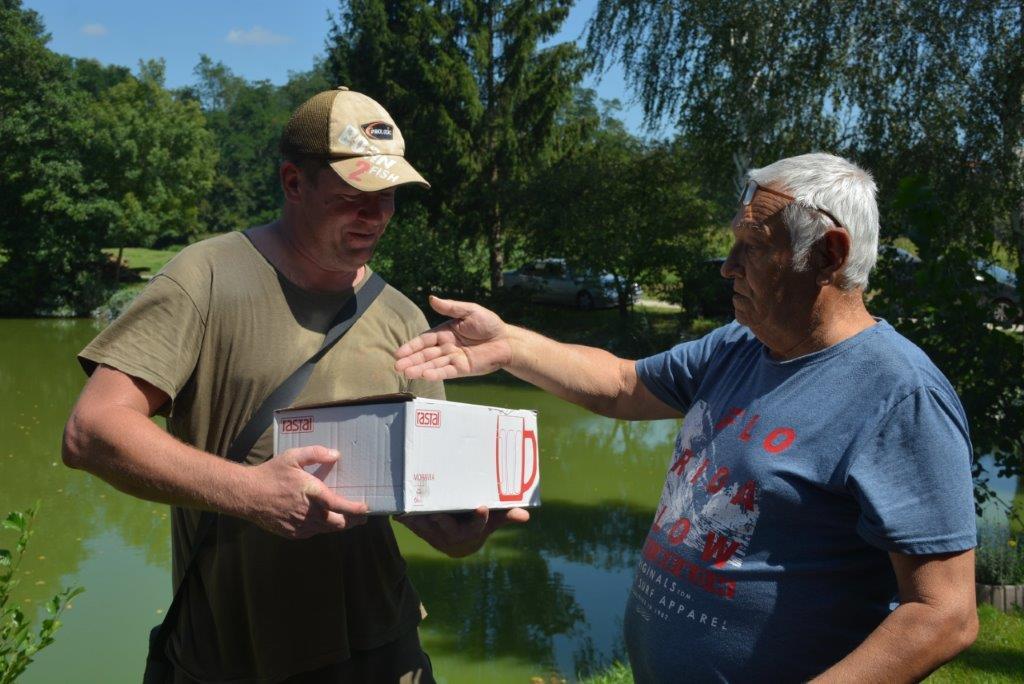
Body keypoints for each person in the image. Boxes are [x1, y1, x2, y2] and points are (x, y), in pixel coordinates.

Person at [394, 153, 979, 682]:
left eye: (752, 245)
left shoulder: (900, 396)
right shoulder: (739, 345)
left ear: (829, 254)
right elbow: (622, 386)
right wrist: (509, 345)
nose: (728, 266)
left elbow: (943, 614)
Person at [62, 87, 525, 684]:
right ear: (293, 182)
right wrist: (249, 493)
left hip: (387, 655)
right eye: (353, 196)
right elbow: (92, 430)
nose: (375, 215)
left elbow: (411, 485)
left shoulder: (403, 317)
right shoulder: (204, 278)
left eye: (387, 195)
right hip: (234, 658)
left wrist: (452, 528)